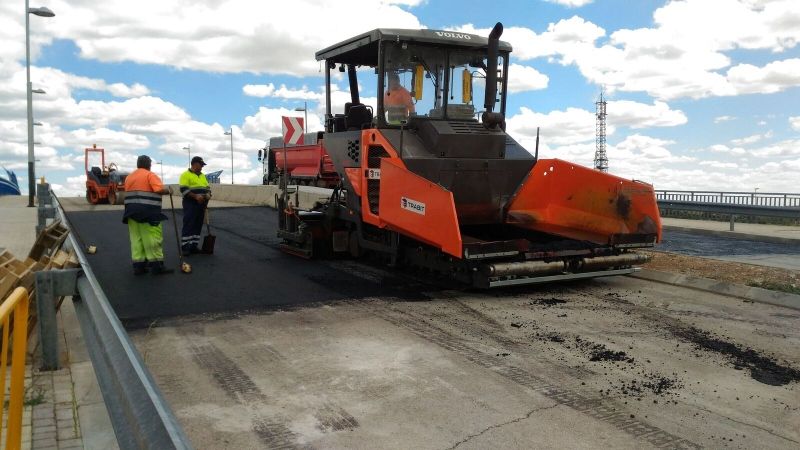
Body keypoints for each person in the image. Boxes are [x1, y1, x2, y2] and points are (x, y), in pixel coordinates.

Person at [122, 155, 173, 275]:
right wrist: (168, 191)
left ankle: (139, 267)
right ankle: (157, 266)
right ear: (149, 165)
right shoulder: (150, 175)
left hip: (131, 213)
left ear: (138, 164)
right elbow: (158, 190)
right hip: (148, 213)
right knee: (152, 239)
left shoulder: (129, 177)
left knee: (136, 239)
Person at [179, 156, 211, 254]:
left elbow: (207, 188)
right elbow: (183, 189)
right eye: (201, 165)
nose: (202, 167)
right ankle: (185, 247)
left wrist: (208, 194)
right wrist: (196, 196)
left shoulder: (202, 176)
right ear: (195, 164)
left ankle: (193, 246)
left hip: (202, 204)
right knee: (189, 223)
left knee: (198, 224)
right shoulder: (185, 175)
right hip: (190, 203)